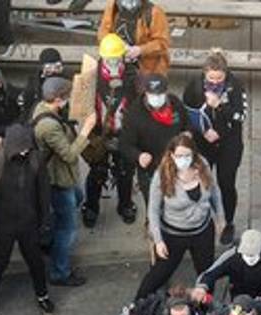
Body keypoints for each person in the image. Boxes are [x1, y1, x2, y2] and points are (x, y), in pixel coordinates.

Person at [0, 122, 55, 315]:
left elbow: (44, 193)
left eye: (27, 148)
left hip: (29, 223)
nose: (24, 153)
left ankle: (42, 295)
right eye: (21, 149)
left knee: (36, 262)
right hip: (2, 225)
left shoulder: (36, 160)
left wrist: (46, 220)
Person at [138, 132, 223, 298]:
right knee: (158, 275)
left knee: (206, 276)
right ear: (171, 155)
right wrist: (158, 240)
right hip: (173, 234)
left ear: (194, 154)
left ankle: (207, 309)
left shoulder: (202, 165)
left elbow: (215, 192)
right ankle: (137, 306)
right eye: (179, 155)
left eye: (187, 155)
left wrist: (221, 219)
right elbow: (153, 210)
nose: (183, 159)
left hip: (202, 231)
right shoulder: (162, 175)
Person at [32, 77, 97, 287]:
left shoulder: (42, 109)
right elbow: (69, 155)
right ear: (58, 99)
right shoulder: (49, 126)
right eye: (67, 97)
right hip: (58, 181)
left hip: (61, 178)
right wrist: (86, 130)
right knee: (67, 229)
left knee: (77, 199)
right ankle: (60, 271)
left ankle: (48, 241)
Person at [183, 49, 247, 244]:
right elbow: (186, 112)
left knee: (226, 184)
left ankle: (227, 221)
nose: (215, 83)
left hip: (229, 142)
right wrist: (200, 132)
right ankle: (201, 219)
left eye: (220, 79)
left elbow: (240, 116)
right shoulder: (195, 84)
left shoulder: (235, 86)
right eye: (211, 78)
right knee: (202, 182)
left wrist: (220, 105)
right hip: (203, 142)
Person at [81, 34, 138, 229]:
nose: (113, 62)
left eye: (117, 58)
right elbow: (81, 106)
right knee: (97, 171)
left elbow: (139, 105)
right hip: (99, 132)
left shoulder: (132, 76)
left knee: (125, 172)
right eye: (109, 58)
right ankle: (91, 207)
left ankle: (125, 205)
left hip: (124, 132)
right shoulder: (91, 75)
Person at [121, 72, 187, 205]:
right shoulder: (135, 113)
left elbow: (187, 123)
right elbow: (125, 144)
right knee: (153, 202)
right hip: (150, 167)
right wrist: (138, 156)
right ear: (145, 93)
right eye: (153, 94)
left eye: (160, 94)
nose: (156, 98)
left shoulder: (175, 104)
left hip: (175, 161)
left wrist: (188, 134)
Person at [193, 228, 261, 307]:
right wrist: (201, 288)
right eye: (245, 254)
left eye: (253, 255)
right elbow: (210, 274)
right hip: (238, 301)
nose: (249, 258)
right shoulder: (232, 255)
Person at [97, 0, 170, 86]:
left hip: (145, 68)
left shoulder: (155, 12)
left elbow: (162, 44)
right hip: (116, 62)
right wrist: (117, 46)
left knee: (141, 93)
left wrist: (140, 50)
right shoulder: (113, 7)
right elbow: (103, 33)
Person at [21, 47, 64, 113]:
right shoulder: (35, 83)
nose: (53, 71)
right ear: (42, 68)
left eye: (57, 67)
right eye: (49, 68)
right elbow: (28, 106)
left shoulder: (65, 82)